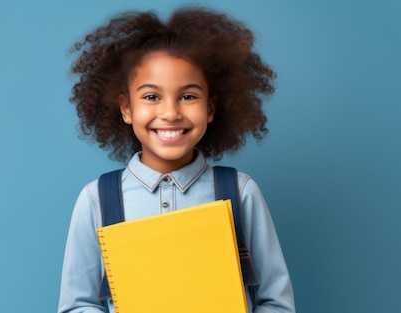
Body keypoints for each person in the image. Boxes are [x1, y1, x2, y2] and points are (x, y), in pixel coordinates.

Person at [58, 6, 295, 313]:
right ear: (126, 108)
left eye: (188, 96)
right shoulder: (96, 201)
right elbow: (77, 305)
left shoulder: (241, 192)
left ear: (210, 108)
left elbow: (276, 303)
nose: (170, 113)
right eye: (152, 96)